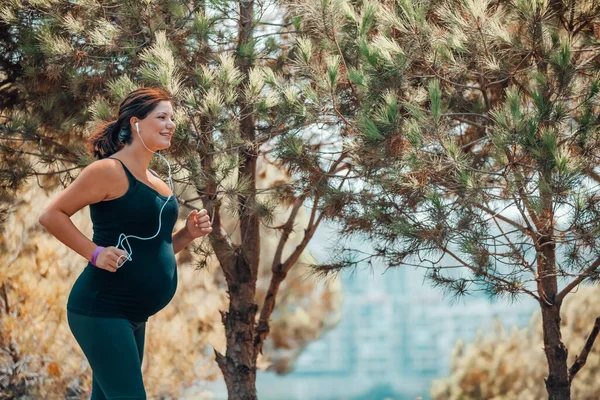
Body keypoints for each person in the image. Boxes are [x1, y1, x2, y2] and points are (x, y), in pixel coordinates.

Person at [38, 88, 212, 400]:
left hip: (134, 314)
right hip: (102, 309)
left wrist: (187, 234)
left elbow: (151, 250)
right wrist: (95, 253)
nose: (171, 124)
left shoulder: (157, 180)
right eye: (161, 117)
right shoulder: (108, 171)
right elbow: (52, 215)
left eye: (172, 118)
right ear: (136, 123)